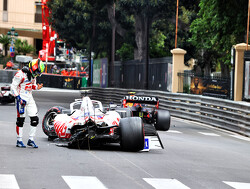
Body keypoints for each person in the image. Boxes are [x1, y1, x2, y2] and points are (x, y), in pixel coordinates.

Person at [11, 59, 45, 148]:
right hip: (21, 98)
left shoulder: (33, 75)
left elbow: (31, 85)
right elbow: (13, 87)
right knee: (20, 120)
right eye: (37, 72)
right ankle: (19, 140)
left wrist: (37, 87)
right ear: (33, 68)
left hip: (30, 98)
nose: (37, 74)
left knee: (35, 119)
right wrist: (18, 98)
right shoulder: (20, 74)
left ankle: (31, 139)